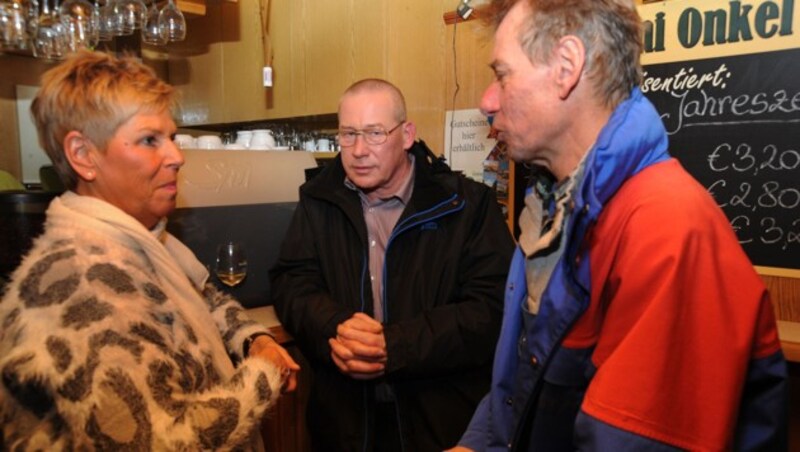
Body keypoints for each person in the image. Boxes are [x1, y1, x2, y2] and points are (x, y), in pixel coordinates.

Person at [452, 1, 788, 451]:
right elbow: (519, 385)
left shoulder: (665, 227)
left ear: (566, 67)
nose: (487, 101)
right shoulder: (554, 210)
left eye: (502, 74)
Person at [0, 50, 300, 451]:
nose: (177, 157)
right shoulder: (81, 282)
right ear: (82, 155)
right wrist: (263, 377)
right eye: (148, 140)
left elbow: (205, 299)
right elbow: (163, 442)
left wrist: (252, 339)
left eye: (171, 138)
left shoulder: (147, 241)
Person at [270, 78, 514, 451]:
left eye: (374, 133)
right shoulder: (318, 200)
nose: (359, 150)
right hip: (344, 425)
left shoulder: (466, 205)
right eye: (348, 134)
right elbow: (292, 283)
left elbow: (491, 310)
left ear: (407, 135)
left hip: (440, 425)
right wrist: (337, 328)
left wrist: (395, 346)